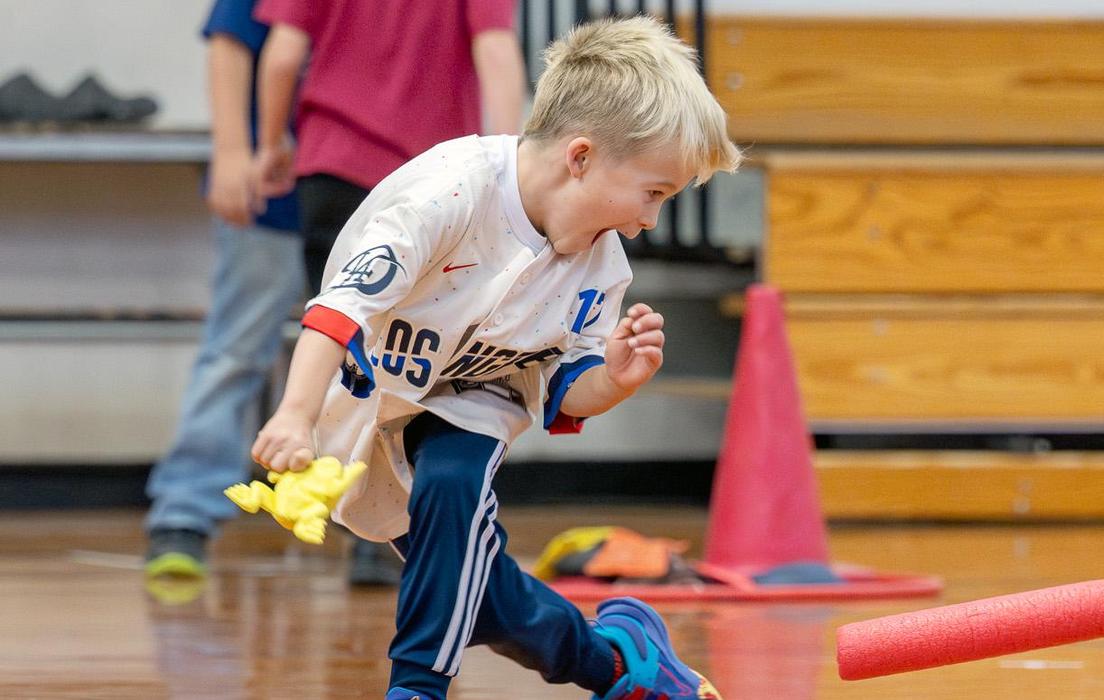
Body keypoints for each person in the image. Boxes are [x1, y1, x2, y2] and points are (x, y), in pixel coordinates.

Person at [246, 18, 740, 700]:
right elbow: (335, 313)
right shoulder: (443, 196)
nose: (649, 220)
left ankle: (416, 687)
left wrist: (615, 380)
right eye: (652, 193)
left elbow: (566, 390)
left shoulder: (602, 266)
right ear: (581, 156)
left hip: (476, 400)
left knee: (452, 491)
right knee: (471, 585)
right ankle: (617, 664)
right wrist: (296, 414)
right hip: (371, 396)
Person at [251, 0, 528, 585]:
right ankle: (394, 533)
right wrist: (510, 175)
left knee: (347, 350)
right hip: (439, 187)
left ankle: (334, 494)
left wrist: (271, 142)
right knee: (427, 361)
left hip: (334, 167)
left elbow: (281, 56)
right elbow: (497, 55)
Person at [143, 0, 305, 580]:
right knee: (235, 352)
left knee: (384, 363)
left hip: (374, 190)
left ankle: (386, 530)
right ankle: (183, 511)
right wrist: (233, 150)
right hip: (273, 192)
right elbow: (230, 43)